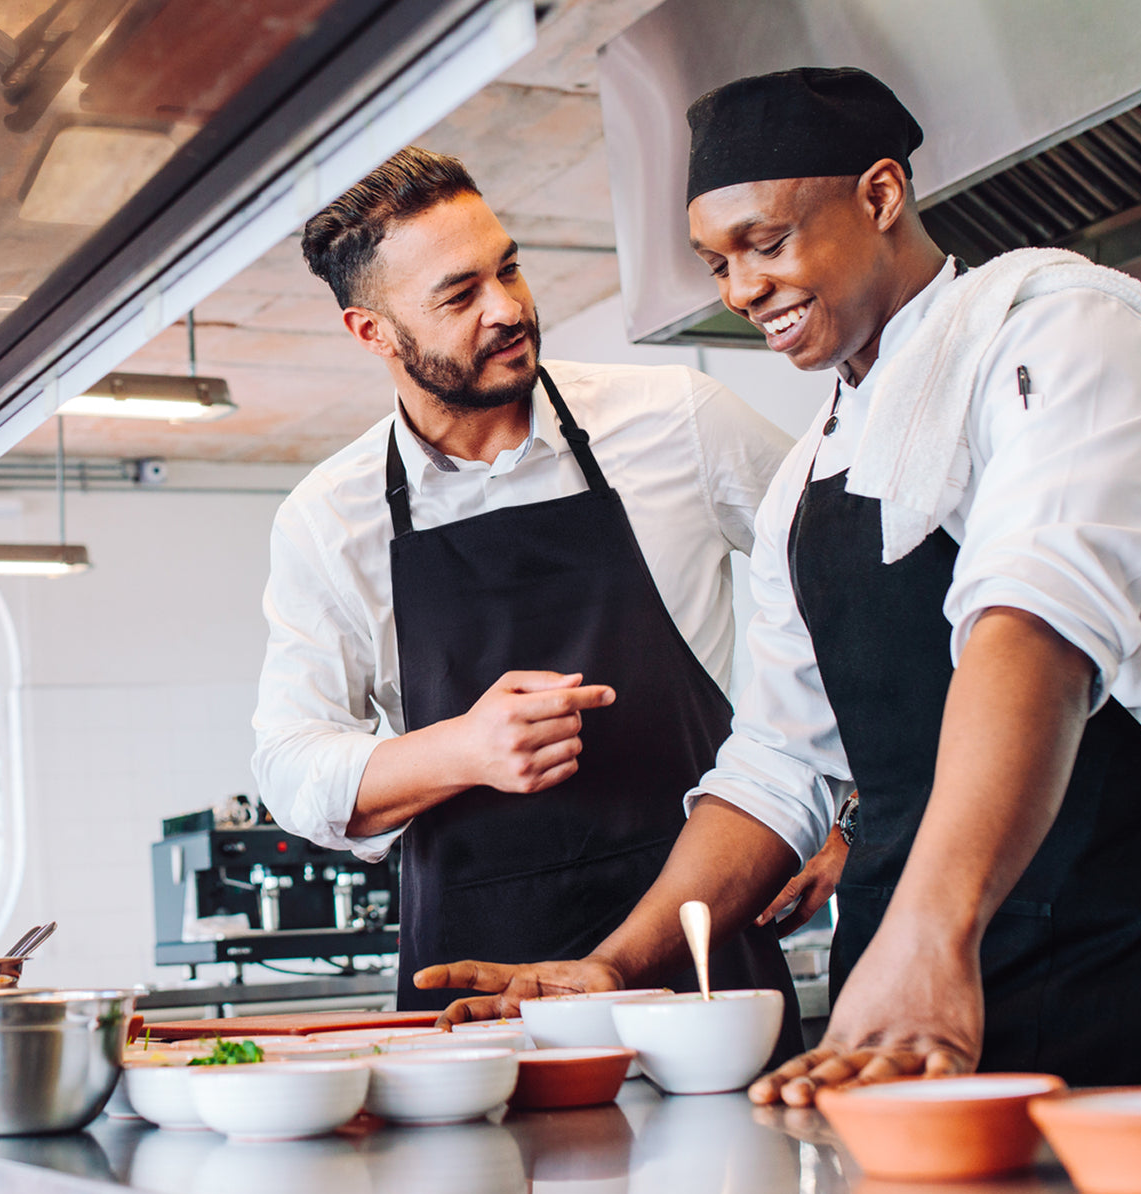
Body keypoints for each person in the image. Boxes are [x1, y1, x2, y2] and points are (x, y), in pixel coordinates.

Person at [415, 67, 1141, 1101]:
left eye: (765, 243)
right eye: (715, 263)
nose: (739, 291)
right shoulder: (804, 479)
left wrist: (932, 931)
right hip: (901, 1001)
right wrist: (617, 961)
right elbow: (778, 768)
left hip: (1119, 957)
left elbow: (1036, 628)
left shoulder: (1063, 333)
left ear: (879, 196)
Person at [250, 146, 802, 1042]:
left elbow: (851, 591)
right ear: (372, 332)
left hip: (696, 958)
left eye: (508, 268)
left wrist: (845, 811)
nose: (508, 309)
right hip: (477, 996)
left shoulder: (678, 421)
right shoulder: (328, 518)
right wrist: (462, 749)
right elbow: (287, 766)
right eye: (459, 295)